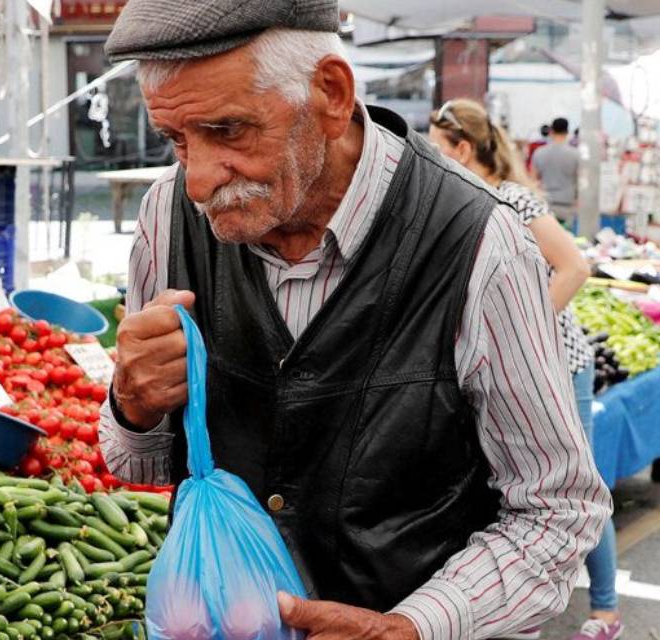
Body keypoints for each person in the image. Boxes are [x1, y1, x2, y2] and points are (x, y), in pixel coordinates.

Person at [97, 1, 611, 639]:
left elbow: (559, 510)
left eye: (229, 131)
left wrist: (414, 626)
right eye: (177, 139)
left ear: (331, 95)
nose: (198, 180)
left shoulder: (479, 244)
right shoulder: (165, 218)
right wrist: (132, 404)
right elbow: (136, 465)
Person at [429, 99, 620, 640]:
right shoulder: (462, 203)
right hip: (510, 370)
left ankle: (605, 611)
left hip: (561, 366)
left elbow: (575, 266)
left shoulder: (511, 200)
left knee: (573, 488)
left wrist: (517, 331)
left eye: (439, 149)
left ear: (464, 150)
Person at [532, 117, 579, 222]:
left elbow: (533, 180)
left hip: (544, 204)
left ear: (551, 131)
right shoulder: (575, 154)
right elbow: (580, 179)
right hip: (567, 204)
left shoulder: (539, 153)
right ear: (567, 132)